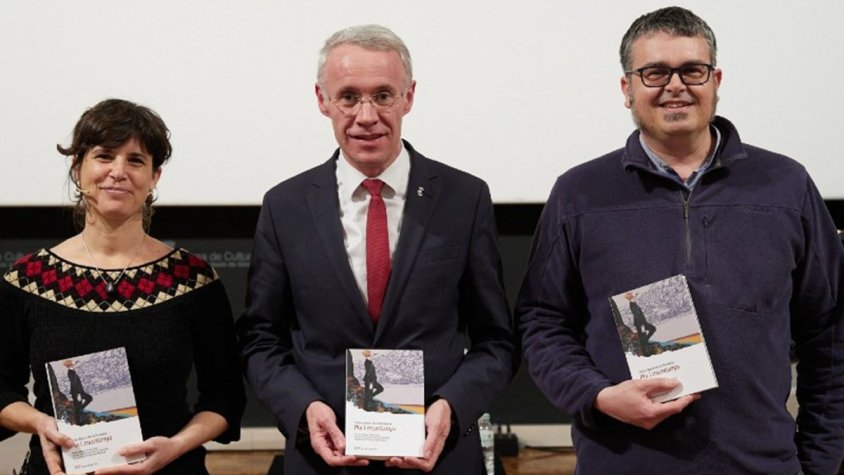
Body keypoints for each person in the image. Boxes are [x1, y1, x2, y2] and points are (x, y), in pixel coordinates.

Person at [516, 6, 844, 475]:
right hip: (621, 464)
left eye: (692, 70)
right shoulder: (579, 193)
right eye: (654, 73)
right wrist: (597, 396)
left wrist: (819, 462)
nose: (675, 85)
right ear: (626, 89)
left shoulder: (786, 187)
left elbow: (830, 333)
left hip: (761, 466)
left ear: (716, 80)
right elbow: (542, 322)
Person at [237, 24, 517, 474]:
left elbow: (497, 341)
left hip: (439, 456)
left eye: (383, 95)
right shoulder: (284, 206)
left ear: (408, 97)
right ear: (322, 100)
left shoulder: (464, 198)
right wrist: (304, 409)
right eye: (348, 96)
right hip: (325, 456)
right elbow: (260, 340)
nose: (366, 115)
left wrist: (453, 406)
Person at [0, 98, 246, 474]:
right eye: (104, 156)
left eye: (136, 160)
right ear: (77, 168)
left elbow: (225, 399)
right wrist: (40, 423)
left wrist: (177, 446)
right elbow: (2, 391)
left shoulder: (194, 280)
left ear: (155, 177)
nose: (118, 171)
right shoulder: (26, 279)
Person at [63, 360, 93, 425]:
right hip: (77, 392)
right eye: (73, 363)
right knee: (79, 405)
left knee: (84, 402)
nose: (74, 364)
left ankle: (80, 412)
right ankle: (79, 421)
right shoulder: (71, 372)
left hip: (79, 392)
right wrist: (78, 393)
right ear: (70, 365)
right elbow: (74, 384)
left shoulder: (72, 371)